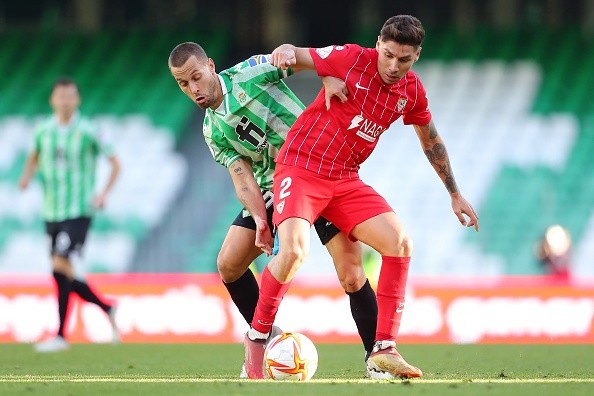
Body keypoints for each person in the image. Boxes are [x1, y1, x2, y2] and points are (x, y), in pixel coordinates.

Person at [244, 14, 480, 379]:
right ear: (378, 44)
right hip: (301, 167)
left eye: (403, 60)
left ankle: (383, 350)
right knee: (293, 251)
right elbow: (293, 52)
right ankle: (256, 341)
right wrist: (297, 59)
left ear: (415, 56)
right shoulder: (352, 57)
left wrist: (455, 193)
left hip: (344, 179)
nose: (392, 66)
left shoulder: (412, 91)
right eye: (387, 55)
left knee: (399, 242)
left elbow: (430, 139)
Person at [167, 43, 383, 377]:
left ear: (210, 66)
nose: (193, 89)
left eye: (196, 77)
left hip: (316, 169)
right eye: (183, 84)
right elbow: (243, 179)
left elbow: (298, 59)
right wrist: (258, 218)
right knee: (228, 264)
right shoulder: (212, 129)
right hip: (274, 187)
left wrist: (326, 76)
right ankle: (269, 338)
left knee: (352, 273)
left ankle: (376, 357)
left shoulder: (249, 73)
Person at [19, 77, 121, 352]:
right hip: (51, 210)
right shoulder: (43, 130)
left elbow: (115, 163)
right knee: (59, 271)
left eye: (70, 96)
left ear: (77, 100)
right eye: (60, 96)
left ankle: (62, 335)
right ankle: (105, 308)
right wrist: (27, 176)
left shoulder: (88, 130)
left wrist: (103, 193)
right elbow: (34, 154)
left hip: (78, 210)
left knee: (61, 264)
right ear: (53, 100)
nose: (65, 101)